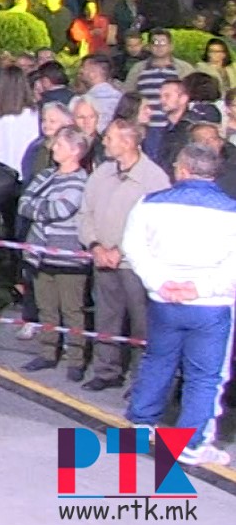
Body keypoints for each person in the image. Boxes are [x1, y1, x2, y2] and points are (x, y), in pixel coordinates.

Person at [121, 144, 236, 468]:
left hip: (164, 300)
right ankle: (191, 444)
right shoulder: (231, 210)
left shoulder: (150, 204)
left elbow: (133, 246)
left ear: (182, 169)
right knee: (205, 377)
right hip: (211, 305)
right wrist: (200, 287)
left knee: (158, 361)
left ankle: (140, 425)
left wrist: (159, 282)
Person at [76, 118, 168, 391]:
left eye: (110, 138)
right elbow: (86, 213)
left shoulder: (154, 179)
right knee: (107, 317)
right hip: (102, 260)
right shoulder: (102, 173)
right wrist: (95, 246)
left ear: (128, 142)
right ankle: (107, 370)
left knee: (142, 324)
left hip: (135, 266)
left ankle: (141, 379)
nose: (104, 142)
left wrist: (120, 251)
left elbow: (156, 225)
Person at [16, 127, 92, 378]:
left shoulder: (81, 180)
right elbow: (23, 203)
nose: (53, 148)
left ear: (75, 151)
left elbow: (62, 208)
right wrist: (40, 208)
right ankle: (48, 352)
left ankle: (76, 358)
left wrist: (38, 208)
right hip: (40, 253)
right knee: (46, 307)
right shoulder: (46, 175)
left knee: (72, 309)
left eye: (59, 145)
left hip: (68, 256)